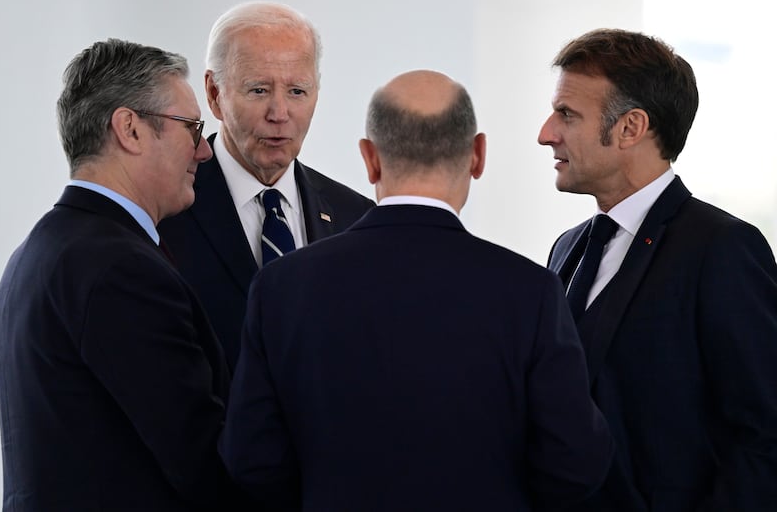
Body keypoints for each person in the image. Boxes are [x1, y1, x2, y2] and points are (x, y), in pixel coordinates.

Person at [219, 69, 614, 511]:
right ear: (478, 156)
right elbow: (574, 464)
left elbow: (251, 460)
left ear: (369, 158)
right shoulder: (530, 291)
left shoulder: (281, 286)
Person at [0, 39, 240, 511]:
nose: (203, 151)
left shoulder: (36, 253)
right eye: (192, 128)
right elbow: (203, 462)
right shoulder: (119, 268)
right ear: (130, 129)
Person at [539, 28, 777, 511]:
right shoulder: (567, 249)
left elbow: (765, 437)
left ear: (630, 128)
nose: (546, 133)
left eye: (567, 114)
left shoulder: (723, 248)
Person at [158, 1, 374, 370]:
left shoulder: (359, 219)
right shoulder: (164, 213)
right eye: (258, 90)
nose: (279, 114)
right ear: (214, 94)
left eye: (297, 92)